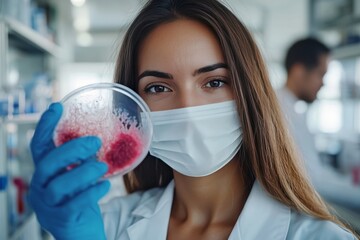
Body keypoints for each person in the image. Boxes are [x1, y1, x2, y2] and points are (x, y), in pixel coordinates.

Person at [28, 1, 357, 239]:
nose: (188, 109)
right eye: (159, 87)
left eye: (214, 82)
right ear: (131, 113)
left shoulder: (319, 237)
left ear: (250, 94)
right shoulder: (106, 224)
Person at [276, 38, 360, 212]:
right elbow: (313, 180)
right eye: (321, 74)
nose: (323, 83)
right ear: (299, 71)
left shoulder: (288, 107)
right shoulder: (283, 113)